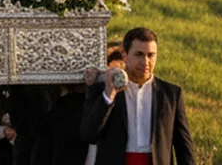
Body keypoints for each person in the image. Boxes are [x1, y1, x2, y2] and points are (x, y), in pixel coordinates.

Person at [81, 28, 195, 165]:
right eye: (139, 54)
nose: (145, 62)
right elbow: (88, 135)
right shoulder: (101, 90)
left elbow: (184, 145)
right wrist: (108, 96)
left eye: (151, 55)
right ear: (124, 54)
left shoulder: (171, 94)